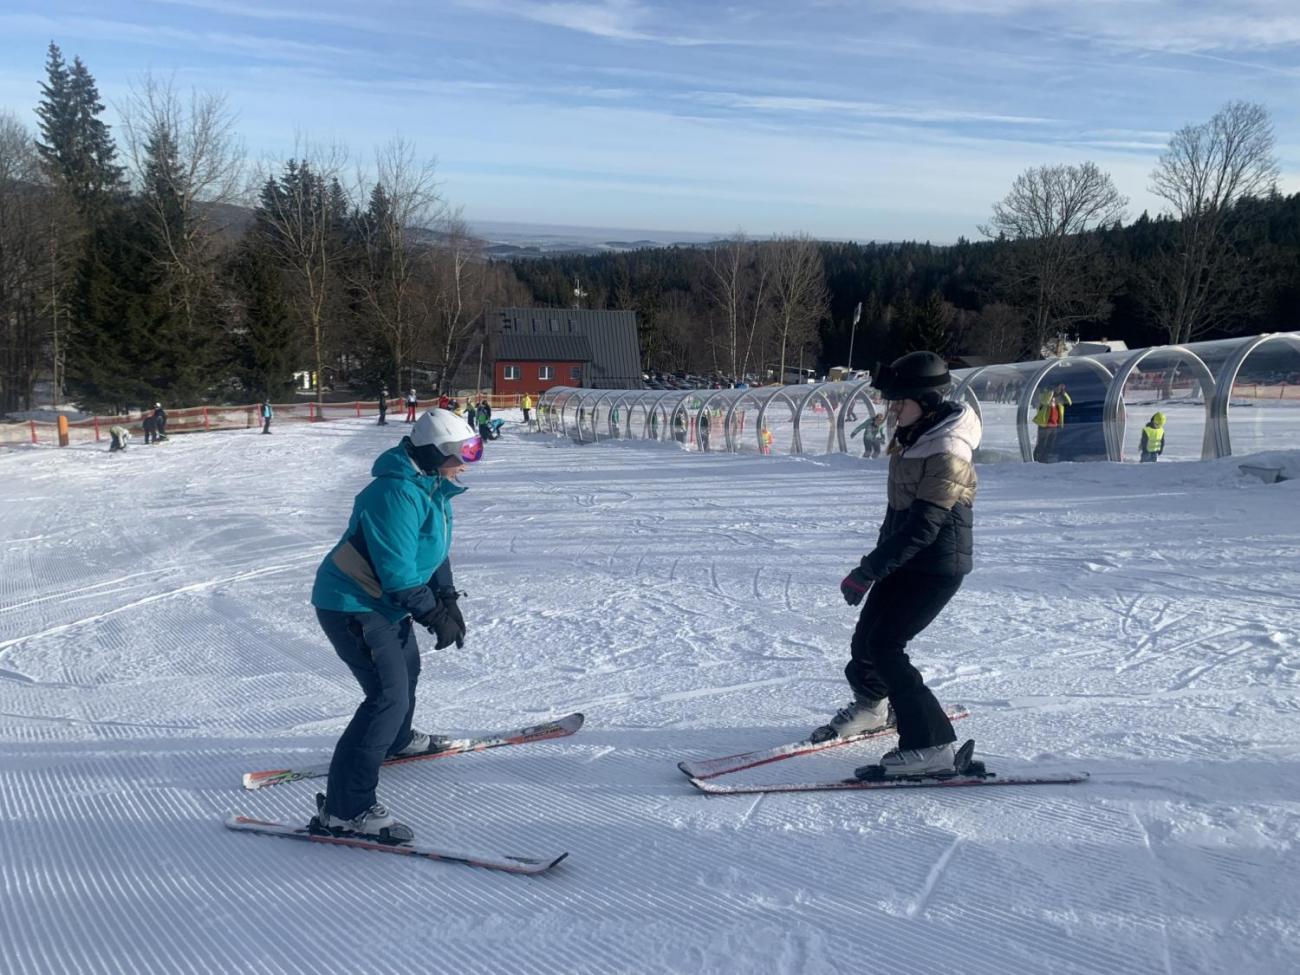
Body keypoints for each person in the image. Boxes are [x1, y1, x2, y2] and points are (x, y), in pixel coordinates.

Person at [309, 409, 483, 841]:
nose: (469, 461)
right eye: (464, 452)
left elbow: (435, 549)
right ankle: (344, 811)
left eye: (474, 450)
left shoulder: (432, 486)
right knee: (387, 696)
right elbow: (399, 576)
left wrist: (446, 597)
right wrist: (432, 615)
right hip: (352, 604)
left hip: (382, 604)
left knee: (407, 672)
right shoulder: (394, 494)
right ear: (433, 452)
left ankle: (395, 741)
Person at [813, 350, 981, 778]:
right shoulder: (918, 436)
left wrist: (868, 570)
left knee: (887, 648)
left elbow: (924, 527)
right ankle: (873, 707)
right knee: (866, 642)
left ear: (926, 402)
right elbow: (898, 518)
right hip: (906, 560)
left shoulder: (947, 448)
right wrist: (876, 566)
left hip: (936, 566)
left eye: (899, 403)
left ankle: (932, 746)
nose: (891, 411)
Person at [1032, 383, 1070, 463]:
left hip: (1054, 425)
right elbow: (1045, 401)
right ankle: (1036, 458)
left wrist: (1064, 393)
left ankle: (1044, 458)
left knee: (1050, 444)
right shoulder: (1045, 395)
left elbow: (1069, 402)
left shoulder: (1059, 399)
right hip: (1045, 425)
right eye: (1058, 387)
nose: (1059, 389)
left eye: (1061, 388)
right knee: (1042, 443)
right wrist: (1051, 392)